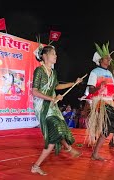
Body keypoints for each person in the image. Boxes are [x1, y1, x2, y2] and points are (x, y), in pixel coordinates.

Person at [31, 45, 82, 176]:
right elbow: (35, 91)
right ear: (45, 56)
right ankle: (69, 148)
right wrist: (51, 98)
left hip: (52, 106)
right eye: (53, 54)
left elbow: (57, 86)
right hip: (42, 107)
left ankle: (36, 166)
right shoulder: (39, 71)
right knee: (56, 129)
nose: (56, 56)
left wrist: (73, 83)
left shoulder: (53, 72)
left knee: (55, 135)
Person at [85, 42, 114, 161]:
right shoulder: (94, 72)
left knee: (108, 129)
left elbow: (113, 89)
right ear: (101, 60)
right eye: (107, 57)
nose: (109, 59)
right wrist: (98, 87)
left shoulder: (109, 74)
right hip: (100, 102)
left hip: (109, 102)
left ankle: (95, 154)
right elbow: (90, 89)